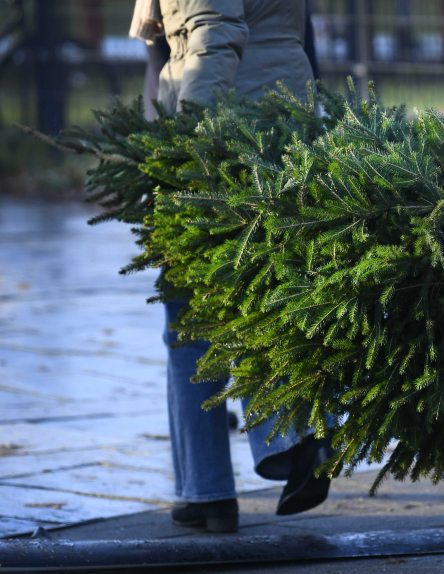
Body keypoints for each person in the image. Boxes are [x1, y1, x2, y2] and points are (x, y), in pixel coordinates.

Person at [130, 0, 331, 533]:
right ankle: (296, 437)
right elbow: (162, 48)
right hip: (277, 110)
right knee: (268, 285)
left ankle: (213, 488)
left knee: (192, 312)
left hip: (228, 125)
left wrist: (189, 153)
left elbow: (211, 37)